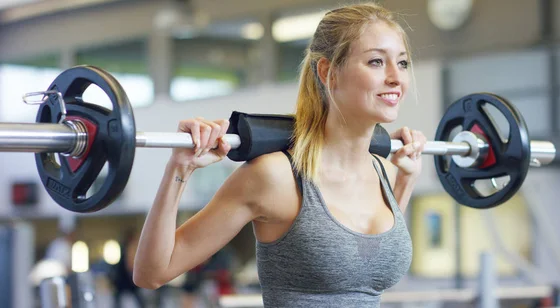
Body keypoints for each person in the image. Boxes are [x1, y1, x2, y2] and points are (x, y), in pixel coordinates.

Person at [134, 3, 426, 307]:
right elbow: (152, 272)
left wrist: (406, 178)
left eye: (403, 63)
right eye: (377, 62)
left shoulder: (386, 172)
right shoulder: (275, 177)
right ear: (329, 72)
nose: (396, 78)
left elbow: (365, 263)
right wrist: (178, 169)